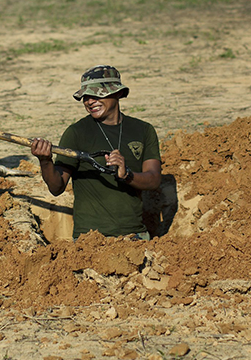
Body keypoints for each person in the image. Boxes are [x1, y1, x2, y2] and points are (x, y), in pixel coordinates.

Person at [31, 65, 162, 239]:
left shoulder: (143, 130)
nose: (89, 101)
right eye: (85, 97)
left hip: (135, 237)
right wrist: (45, 161)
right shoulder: (77, 133)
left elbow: (153, 180)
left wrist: (126, 175)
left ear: (117, 93)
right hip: (89, 240)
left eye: (96, 95)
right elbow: (56, 187)